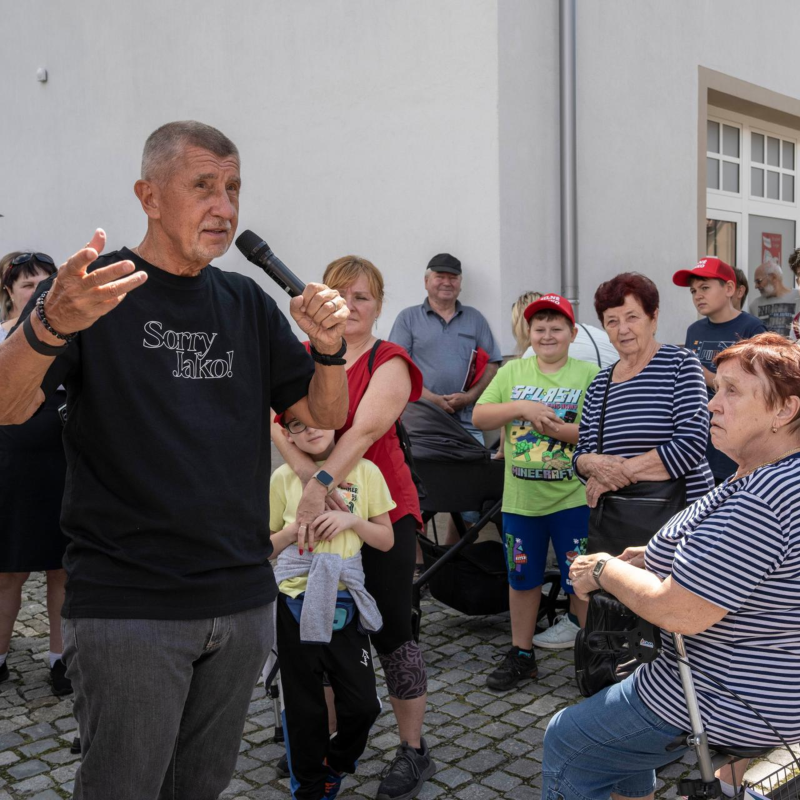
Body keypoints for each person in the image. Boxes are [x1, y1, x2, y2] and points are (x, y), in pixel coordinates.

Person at [0, 121, 350, 800]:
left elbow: (319, 418)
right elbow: (9, 409)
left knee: (198, 789)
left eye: (233, 188)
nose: (225, 206)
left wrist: (329, 350)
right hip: (131, 606)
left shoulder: (245, 302)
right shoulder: (90, 293)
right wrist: (46, 327)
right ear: (149, 195)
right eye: (203, 187)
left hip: (241, 600)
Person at [541, 332, 800, 800]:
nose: (712, 405)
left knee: (568, 738)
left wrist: (602, 569)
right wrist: (651, 556)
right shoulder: (769, 474)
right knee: (612, 749)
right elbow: (734, 563)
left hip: (726, 692)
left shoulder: (765, 499)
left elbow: (681, 612)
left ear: (785, 411)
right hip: (750, 678)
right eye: (715, 389)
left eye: (732, 392)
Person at [271, 256, 435, 800]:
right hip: (313, 506)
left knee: (391, 632)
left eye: (363, 296)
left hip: (379, 507)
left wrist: (320, 485)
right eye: (341, 294)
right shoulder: (303, 357)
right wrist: (307, 480)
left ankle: (413, 750)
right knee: (323, 628)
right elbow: (275, 423)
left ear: (379, 305)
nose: (352, 305)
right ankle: (331, 747)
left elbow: (363, 431)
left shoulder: (390, 358)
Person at [473, 294, 599, 685]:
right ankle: (522, 653)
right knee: (522, 578)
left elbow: (599, 431)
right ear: (528, 332)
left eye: (556, 328)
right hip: (521, 502)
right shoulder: (512, 373)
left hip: (572, 500)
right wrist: (522, 409)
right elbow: (480, 415)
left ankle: (596, 655)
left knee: (582, 579)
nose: (547, 335)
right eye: (539, 328)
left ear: (572, 333)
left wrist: (558, 430)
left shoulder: (589, 375)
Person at [270, 409, 395, 800]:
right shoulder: (281, 479)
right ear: (287, 436)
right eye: (297, 426)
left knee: (361, 705)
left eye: (316, 420)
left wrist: (352, 523)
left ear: (336, 420)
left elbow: (386, 540)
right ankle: (308, 787)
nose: (310, 431)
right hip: (294, 600)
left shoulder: (366, 472)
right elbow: (263, 547)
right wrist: (292, 531)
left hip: (345, 599)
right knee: (305, 708)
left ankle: (336, 763)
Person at [574, 273, 714, 551]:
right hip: (618, 523)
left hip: (680, 522)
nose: (622, 329)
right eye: (612, 321)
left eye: (632, 317)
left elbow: (691, 444)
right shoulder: (600, 383)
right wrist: (592, 465)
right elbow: (581, 453)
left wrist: (620, 472)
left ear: (654, 318)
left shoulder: (681, 364)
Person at [0, 251, 71, 696]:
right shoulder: (2, 338)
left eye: (47, 283)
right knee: (6, 571)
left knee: (62, 569)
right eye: (29, 285)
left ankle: (62, 660)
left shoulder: (70, 337)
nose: (39, 291)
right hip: (9, 471)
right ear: (9, 292)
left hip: (63, 468)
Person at [388, 253, 502, 444]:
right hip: (420, 426)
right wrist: (432, 399)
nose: (447, 283)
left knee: (474, 473)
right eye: (440, 276)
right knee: (423, 474)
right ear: (426, 281)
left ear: (460, 283)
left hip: (467, 424)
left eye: (453, 278)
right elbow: (396, 368)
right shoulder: (408, 318)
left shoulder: (475, 319)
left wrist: (469, 397)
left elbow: (492, 363)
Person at [673, 256, 766, 484]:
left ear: (730, 288)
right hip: (702, 441)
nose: (698, 296)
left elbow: (760, 388)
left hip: (736, 442)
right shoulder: (694, 330)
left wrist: (707, 377)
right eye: (693, 291)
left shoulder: (752, 328)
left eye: (705, 287)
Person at [749, 259, 800, 339]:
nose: (756, 286)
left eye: (758, 281)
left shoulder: (798, 296)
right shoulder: (754, 305)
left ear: (773, 277)